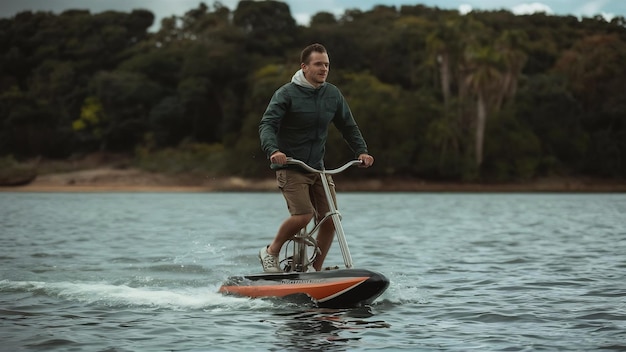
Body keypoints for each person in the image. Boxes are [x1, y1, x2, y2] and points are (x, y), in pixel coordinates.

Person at [258, 43, 374, 273]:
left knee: (331, 220)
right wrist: (273, 150)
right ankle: (271, 251)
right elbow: (267, 124)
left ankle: (315, 270)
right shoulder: (286, 94)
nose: (324, 69)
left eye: (327, 65)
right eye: (318, 64)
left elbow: (348, 126)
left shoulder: (332, 94)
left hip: (318, 169)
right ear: (304, 67)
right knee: (303, 215)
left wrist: (361, 151)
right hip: (291, 166)